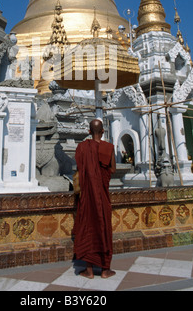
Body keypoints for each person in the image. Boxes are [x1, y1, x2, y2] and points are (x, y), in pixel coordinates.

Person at [73, 119, 116, 279]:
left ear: (89, 132)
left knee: (88, 228)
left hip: (87, 198)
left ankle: (89, 270)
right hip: (103, 197)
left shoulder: (83, 148)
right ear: (103, 131)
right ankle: (105, 269)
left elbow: (80, 169)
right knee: (104, 227)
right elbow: (112, 169)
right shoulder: (108, 148)